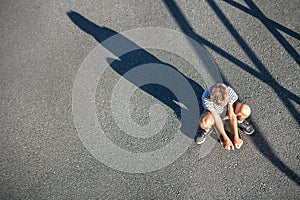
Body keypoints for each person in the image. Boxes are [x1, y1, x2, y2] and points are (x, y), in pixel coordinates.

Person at [195, 83, 254, 150]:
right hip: (215, 113)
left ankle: (240, 121)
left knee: (245, 110)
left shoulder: (229, 91)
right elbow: (216, 118)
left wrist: (236, 137)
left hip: (228, 110)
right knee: (204, 122)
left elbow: (231, 115)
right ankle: (207, 129)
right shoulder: (206, 98)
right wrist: (226, 139)